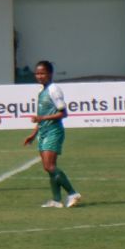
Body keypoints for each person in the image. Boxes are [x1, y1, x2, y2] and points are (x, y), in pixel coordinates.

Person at [20, 59, 81, 208]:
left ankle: (73, 193)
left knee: (50, 166)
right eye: (37, 73)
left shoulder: (54, 89)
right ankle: (56, 200)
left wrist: (42, 118)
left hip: (54, 131)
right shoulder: (42, 90)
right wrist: (34, 134)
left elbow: (63, 113)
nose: (40, 76)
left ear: (50, 74)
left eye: (43, 73)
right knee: (48, 167)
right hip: (43, 131)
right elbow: (42, 113)